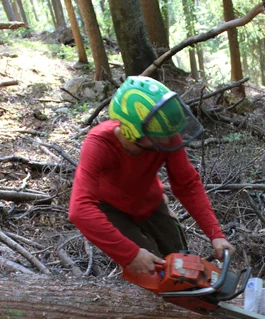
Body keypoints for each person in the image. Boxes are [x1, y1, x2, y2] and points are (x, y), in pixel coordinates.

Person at [68, 76, 234, 275]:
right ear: (132, 130)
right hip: (111, 209)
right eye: (158, 137)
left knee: (182, 264)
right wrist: (130, 254)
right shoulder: (99, 144)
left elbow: (187, 183)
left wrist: (215, 234)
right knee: (153, 271)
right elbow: (80, 209)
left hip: (150, 202)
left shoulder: (164, 134)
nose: (167, 140)